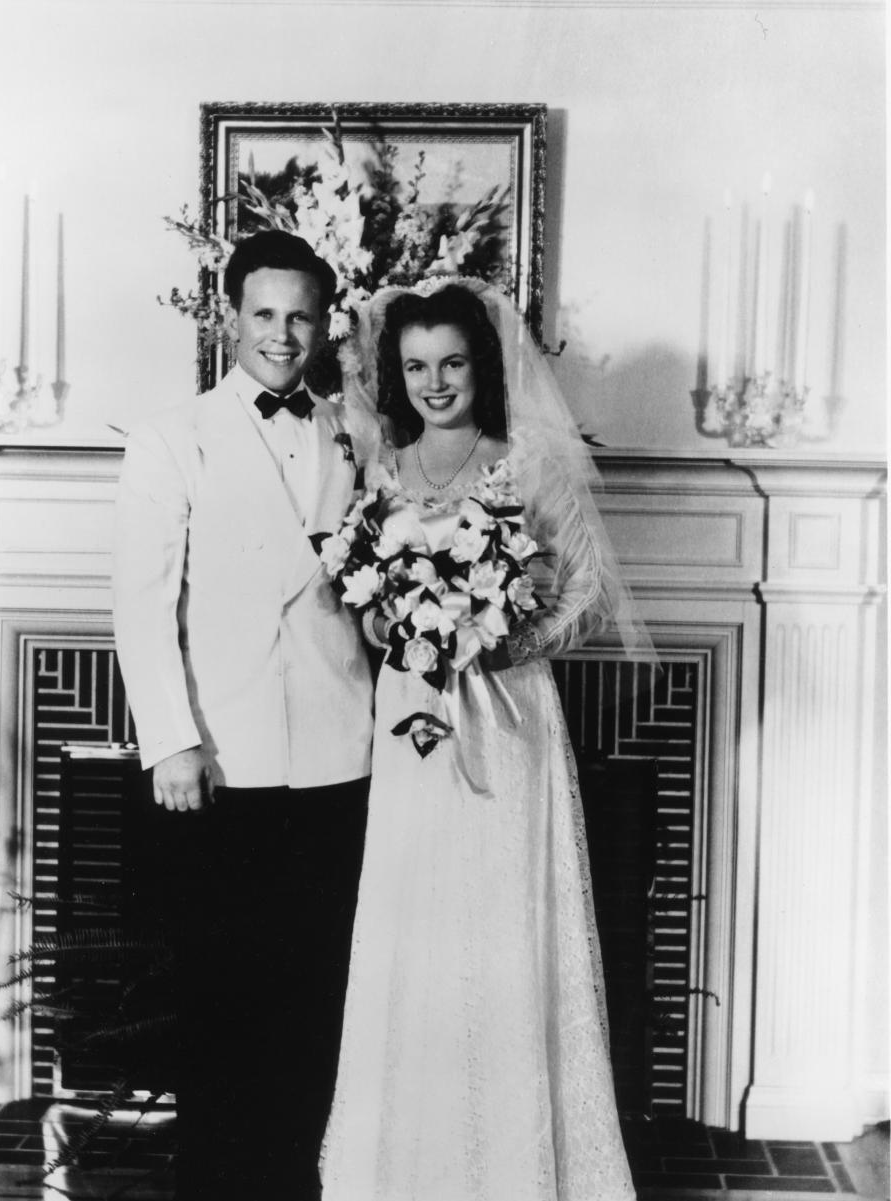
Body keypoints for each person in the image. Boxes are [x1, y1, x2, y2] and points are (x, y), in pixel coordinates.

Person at [320, 281, 650, 1201]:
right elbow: (364, 591)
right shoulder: (383, 468)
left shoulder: (528, 462)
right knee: (414, 924)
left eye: (453, 363)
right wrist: (399, 629)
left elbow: (584, 599)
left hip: (503, 719)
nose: (435, 383)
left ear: (485, 366)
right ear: (399, 373)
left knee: (500, 923)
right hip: (411, 722)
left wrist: (493, 640)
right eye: (417, 366)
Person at [111, 230, 373, 1201]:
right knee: (222, 1008)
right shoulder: (172, 437)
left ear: (324, 322)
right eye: (264, 313)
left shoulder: (354, 434)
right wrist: (172, 740)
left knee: (313, 1006)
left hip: (341, 756)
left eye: (301, 314)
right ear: (229, 319)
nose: (283, 333)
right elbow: (143, 602)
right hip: (221, 763)